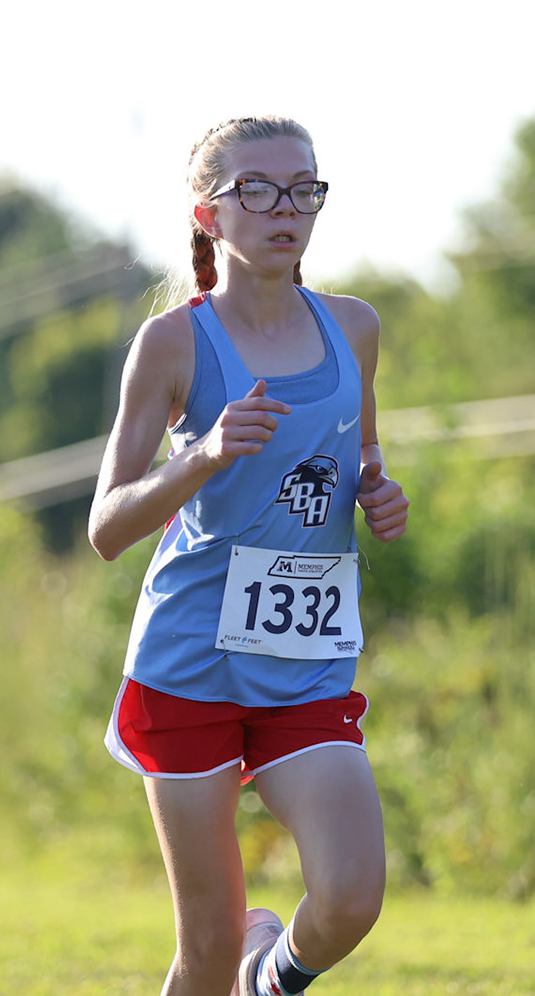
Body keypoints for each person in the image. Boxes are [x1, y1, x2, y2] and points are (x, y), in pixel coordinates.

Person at [89, 116, 409, 996]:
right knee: (207, 944)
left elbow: (359, 457)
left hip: (307, 663)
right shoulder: (174, 344)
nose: (287, 208)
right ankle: (240, 960)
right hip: (190, 663)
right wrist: (204, 454)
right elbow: (108, 525)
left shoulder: (355, 328)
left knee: (350, 897)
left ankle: (268, 980)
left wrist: (379, 494)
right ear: (209, 213)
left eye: (304, 188)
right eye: (258, 190)